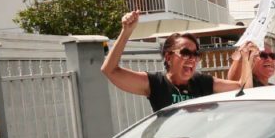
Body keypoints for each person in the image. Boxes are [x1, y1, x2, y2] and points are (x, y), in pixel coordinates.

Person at [101, 9, 242, 111]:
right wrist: (126, 31)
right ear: (168, 57)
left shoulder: (203, 82)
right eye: (185, 53)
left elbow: (241, 87)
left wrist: (246, 57)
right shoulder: (156, 83)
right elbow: (110, 70)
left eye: (195, 54)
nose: (192, 59)